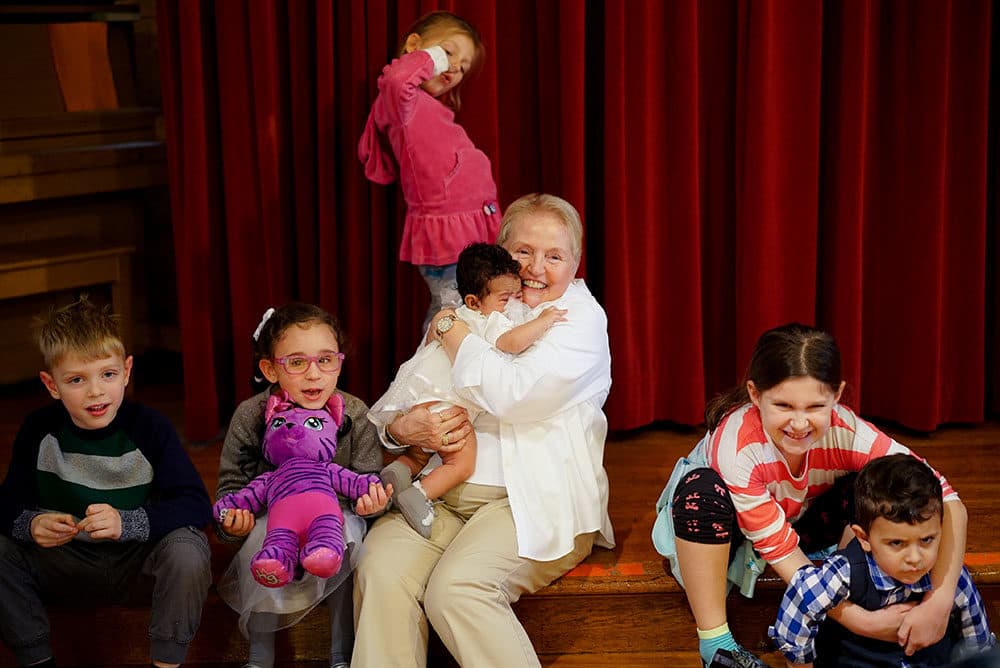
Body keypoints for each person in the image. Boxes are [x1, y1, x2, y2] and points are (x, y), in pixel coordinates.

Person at [352, 193, 614, 667]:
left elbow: (511, 392)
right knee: (379, 566)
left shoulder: (579, 321)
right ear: (500, 253)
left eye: (554, 256)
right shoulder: (472, 306)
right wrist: (401, 428)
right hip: (438, 493)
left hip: (528, 502)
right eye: (523, 252)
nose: (536, 268)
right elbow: (410, 386)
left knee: (457, 590)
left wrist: (451, 329)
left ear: (575, 264)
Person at [651, 323, 970, 668]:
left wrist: (939, 602)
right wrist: (860, 621)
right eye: (784, 405)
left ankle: (863, 585)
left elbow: (946, 498)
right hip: (728, 540)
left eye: (815, 406)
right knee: (702, 493)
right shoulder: (737, 446)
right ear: (756, 396)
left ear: (837, 395)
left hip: (799, 520)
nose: (800, 424)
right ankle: (717, 645)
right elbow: (783, 553)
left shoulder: (845, 430)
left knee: (875, 483)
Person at [0, 296, 212, 668]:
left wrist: (127, 522)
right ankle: (36, 660)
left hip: (137, 563)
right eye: (77, 380)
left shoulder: (150, 427)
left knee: (188, 548)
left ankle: (166, 663)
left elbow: (195, 503)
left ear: (127, 371)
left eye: (108, 375)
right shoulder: (38, 430)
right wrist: (31, 523)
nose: (96, 391)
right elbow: (6, 505)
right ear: (52, 385)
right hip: (64, 564)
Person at [215, 303, 391, 668]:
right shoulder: (251, 415)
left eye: (326, 360)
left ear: (340, 363)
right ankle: (260, 656)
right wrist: (234, 522)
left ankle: (341, 653)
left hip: (334, 512)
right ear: (269, 369)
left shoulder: (355, 413)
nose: (314, 375)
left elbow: (368, 477)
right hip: (273, 514)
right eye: (296, 362)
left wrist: (371, 505)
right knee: (262, 542)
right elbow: (232, 486)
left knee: (345, 540)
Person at [371, 241, 567, 538]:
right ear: (475, 301)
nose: (510, 304)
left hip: (420, 400)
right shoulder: (485, 321)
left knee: (419, 455)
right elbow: (511, 342)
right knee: (461, 463)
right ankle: (419, 495)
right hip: (447, 407)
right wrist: (542, 321)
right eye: (504, 298)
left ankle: (400, 471)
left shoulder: (454, 315)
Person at [769, 454, 995, 667]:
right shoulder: (844, 573)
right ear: (864, 538)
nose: (915, 558)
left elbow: (977, 641)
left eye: (927, 539)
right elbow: (801, 600)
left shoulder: (950, 576)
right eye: (896, 543)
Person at [358, 10, 501, 332]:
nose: (454, 67)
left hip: (473, 230)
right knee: (451, 314)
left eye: (463, 66)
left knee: (471, 312)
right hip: (448, 239)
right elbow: (397, 79)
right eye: (448, 53)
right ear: (415, 47)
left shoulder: (428, 108)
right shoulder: (401, 102)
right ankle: (433, 379)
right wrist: (433, 57)